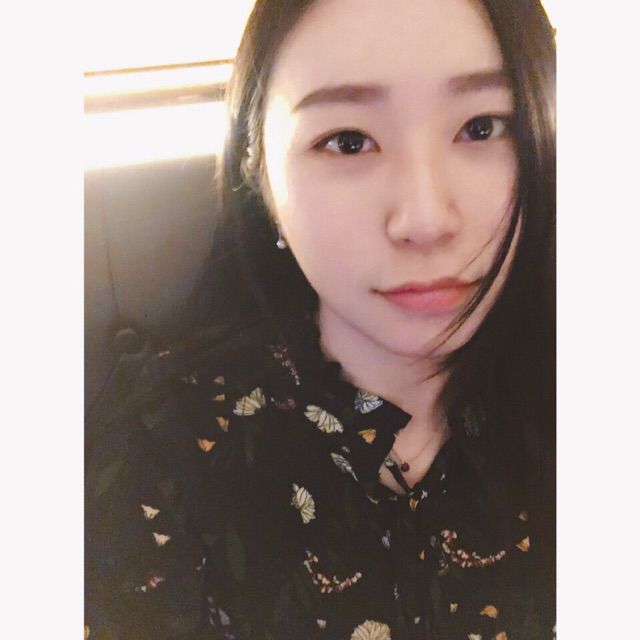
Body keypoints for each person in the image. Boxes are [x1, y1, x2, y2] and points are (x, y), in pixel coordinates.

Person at [85, 0, 556, 638]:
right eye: (348, 141)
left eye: (482, 127)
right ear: (261, 176)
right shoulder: (160, 459)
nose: (425, 220)